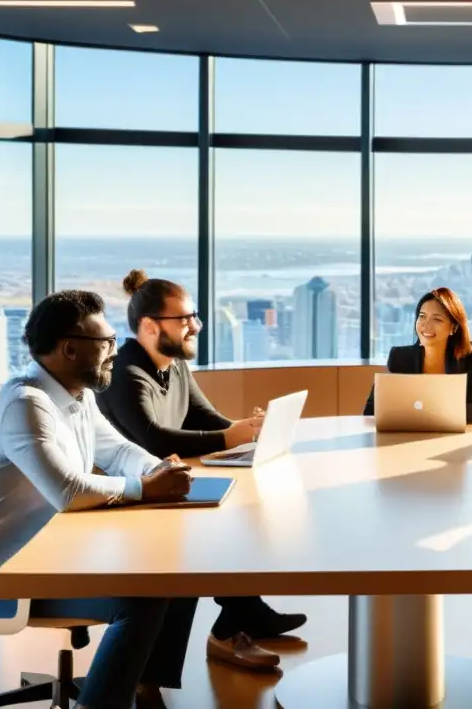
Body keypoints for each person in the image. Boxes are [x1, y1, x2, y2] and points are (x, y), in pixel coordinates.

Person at [0, 290, 199, 709]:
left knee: (178, 568)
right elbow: (68, 491)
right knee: (145, 597)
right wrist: (146, 488)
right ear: (70, 349)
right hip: (4, 576)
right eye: (106, 343)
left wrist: (155, 469)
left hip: (57, 555)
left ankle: (137, 683)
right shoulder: (25, 404)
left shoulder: (78, 394)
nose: (114, 352)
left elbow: (119, 452)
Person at [95, 270, 306, 672]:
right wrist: (230, 437)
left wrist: (246, 430)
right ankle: (212, 640)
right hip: (129, 498)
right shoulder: (123, 372)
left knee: (245, 515)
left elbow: (207, 419)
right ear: (149, 326)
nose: (196, 325)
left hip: (165, 487)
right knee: (202, 541)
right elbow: (154, 438)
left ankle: (240, 619)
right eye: (185, 318)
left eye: (195, 316)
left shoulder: (174, 366)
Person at [363, 287, 472, 423]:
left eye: (437, 319)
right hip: (408, 437)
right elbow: (371, 410)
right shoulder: (400, 358)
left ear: (453, 328)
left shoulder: (469, 357)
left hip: (452, 438)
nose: (426, 325)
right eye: (422, 316)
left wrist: (430, 414)